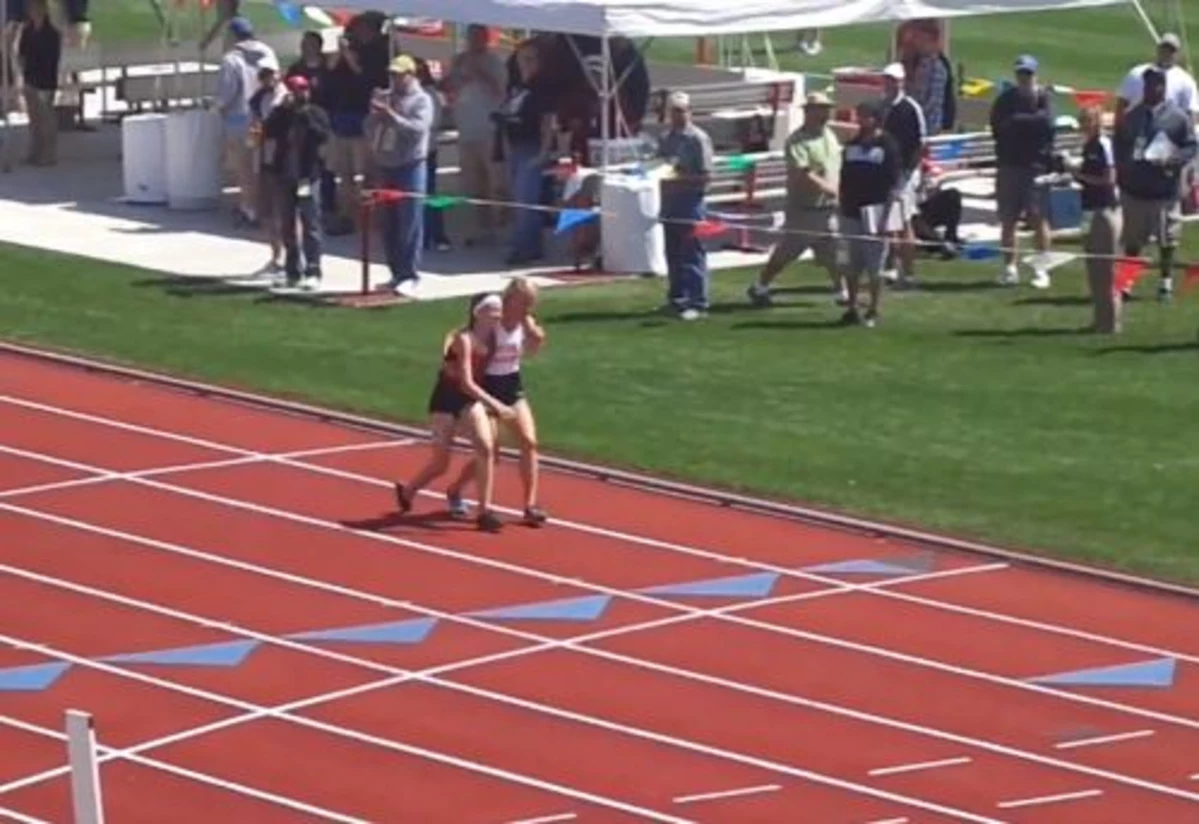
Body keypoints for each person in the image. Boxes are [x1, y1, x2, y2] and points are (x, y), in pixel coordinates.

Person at [394, 293, 512, 533]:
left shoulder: (495, 339)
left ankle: (484, 511)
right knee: (440, 464)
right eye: (492, 310)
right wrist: (496, 405)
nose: (497, 315)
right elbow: (466, 383)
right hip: (446, 401)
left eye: (499, 311)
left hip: (469, 402)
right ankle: (408, 490)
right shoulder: (462, 339)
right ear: (477, 313)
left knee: (486, 448)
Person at [443, 277, 548, 527]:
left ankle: (530, 505)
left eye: (530, 303)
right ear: (510, 299)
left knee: (529, 442)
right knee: (491, 452)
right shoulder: (493, 321)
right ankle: (456, 490)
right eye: (523, 302)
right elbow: (465, 337)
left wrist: (534, 333)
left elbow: (534, 347)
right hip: (487, 387)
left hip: (511, 385)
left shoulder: (525, 322)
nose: (526, 308)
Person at [747, 92, 845, 307]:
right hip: (804, 210)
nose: (826, 113)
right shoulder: (797, 141)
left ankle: (842, 291)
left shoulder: (829, 135)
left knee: (834, 251)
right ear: (808, 112)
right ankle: (761, 285)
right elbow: (803, 173)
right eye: (821, 109)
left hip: (828, 208)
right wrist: (829, 189)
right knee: (787, 252)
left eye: (827, 109)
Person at [1113, 66, 1197, 303]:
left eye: (1156, 85)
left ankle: (1165, 282)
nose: (1151, 89)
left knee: (1167, 239)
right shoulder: (1133, 116)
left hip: (1164, 190)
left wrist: (1173, 159)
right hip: (1136, 188)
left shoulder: (1177, 117)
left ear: (1163, 88)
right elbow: (1120, 143)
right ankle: (1127, 282)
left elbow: (1190, 146)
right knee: (1133, 241)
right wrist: (1124, 167)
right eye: (1148, 85)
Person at [365, 54, 434, 298]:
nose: (393, 80)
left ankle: (410, 275)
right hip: (386, 165)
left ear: (411, 75)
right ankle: (395, 273)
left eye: (398, 75)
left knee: (409, 222)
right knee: (389, 223)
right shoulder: (387, 97)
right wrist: (375, 113)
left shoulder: (422, 100)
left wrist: (392, 116)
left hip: (410, 166)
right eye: (391, 75)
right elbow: (368, 129)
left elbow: (417, 130)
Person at [989, 55, 1054, 290]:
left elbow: (1047, 124)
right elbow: (1000, 127)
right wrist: (1029, 123)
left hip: (1035, 167)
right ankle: (1010, 268)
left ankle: (1042, 269)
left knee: (1038, 218)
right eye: (1021, 73)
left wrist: (1019, 122)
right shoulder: (1006, 99)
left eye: (1028, 73)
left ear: (1035, 74)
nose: (1024, 78)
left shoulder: (1043, 98)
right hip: (1009, 165)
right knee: (1008, 219)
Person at [262, 74, 331, 290]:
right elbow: (268, 131)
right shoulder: (282, 114)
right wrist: (282, 110)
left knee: (310, 222)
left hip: (306, 177)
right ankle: (292, 269)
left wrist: (305, 115)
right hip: (284, 176)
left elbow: (322, 136)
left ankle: (313, 268)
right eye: (296, 90)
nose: (301, 94)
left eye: (303, 89)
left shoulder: (316, 113)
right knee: (287, 224)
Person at [838, 100, 902, 328]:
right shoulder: (851, 146)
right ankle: (852, 307)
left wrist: (886, 217)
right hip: (850, 211)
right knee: (850, 264)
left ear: (876, 118)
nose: (861, 120)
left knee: (875, 265)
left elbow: (893, 184)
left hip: (876, 212)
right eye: (859, 115)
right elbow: (844, 180)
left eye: (865, 115)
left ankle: (874, 309)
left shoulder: (888, 146)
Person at [444, 23, 508, 246]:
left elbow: (500, 92)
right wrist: (454, 74)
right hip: (466, 129)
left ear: (485, 39)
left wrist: (479, 73)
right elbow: (447, 87)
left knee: (495, 182)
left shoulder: (494, 61)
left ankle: (501, 225)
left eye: (477, 37)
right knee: (473, 183)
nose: (472, 41)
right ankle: (482, 228)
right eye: (469, 37)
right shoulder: (459, 60)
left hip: (488, 130)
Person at [495, 42, 555, 266]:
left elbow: (547, 123)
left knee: (525, 199)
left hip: (533, 146)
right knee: (519, 199)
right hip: (515, 146)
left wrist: (544, 152)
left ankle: (525, 248)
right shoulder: (518, 87)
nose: (526, 64)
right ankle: (529, 245)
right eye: (522, 59)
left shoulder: (543, 88)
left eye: (531, 59)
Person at [215, 17, 278, 227]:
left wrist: (217, 107)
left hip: (239, 120)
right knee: (260, 164)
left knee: (244, 167)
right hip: (263, 118)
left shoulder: (231, 60)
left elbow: (226, 93)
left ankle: (249, 208)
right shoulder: (268, 53)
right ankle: (263, 205)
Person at [657, 90, 714, 320]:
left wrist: (678, 179)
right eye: (674, 111)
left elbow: (706, 176)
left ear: (690, 111)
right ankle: (677, 298)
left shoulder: (698, 139)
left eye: (682, 111)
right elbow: (660, 166)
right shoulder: (666, 138)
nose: (678, 115)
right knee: (672, 253)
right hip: (670, 202)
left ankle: (698, 301)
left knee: (692, 253)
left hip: (691, 201)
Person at [1073, 104, 1122, 334]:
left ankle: (1111, 322)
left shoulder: (1104, 144)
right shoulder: (1088, 145)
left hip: (1104, 210)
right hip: (1089, 210)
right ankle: (1099, 319)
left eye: (1087, 121)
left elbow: (1108, 179)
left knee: (1106, 270)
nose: (1083, 126)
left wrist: (1079, 175)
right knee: (1093, 269)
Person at [880, 62, 926, 288]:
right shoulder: (881, 106)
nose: (890, 84)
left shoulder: (910, 108)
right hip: (883, 173)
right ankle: (889, 267)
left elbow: (920, 144)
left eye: (894, 80)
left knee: (904, 222)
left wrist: (908, 172)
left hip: (904, 173)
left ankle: (908, 274)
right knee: (888, 222)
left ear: (902, 82)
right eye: (887, 79)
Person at [248, 60, 286, 273]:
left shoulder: (286, 98)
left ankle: (292, 256)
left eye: (270, 74)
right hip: (264, 158)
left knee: (286, 210)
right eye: (263, 75)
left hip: (284, 160)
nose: (267, 79)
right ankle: (276, 256)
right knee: (268, 211)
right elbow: (254, 127)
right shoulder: (258, 99)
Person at [15, 0, 59, 167]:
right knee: (34, 119)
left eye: (36, 7)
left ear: (44, 9)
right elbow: (21, 52)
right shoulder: (27, 30)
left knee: (46, 118)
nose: (33, 11)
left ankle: (49, 154)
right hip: (30, 79)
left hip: (45, 81)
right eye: (31, 8)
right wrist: (22, 71)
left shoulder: (52, 33)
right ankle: (34, 152)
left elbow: (52, 60)